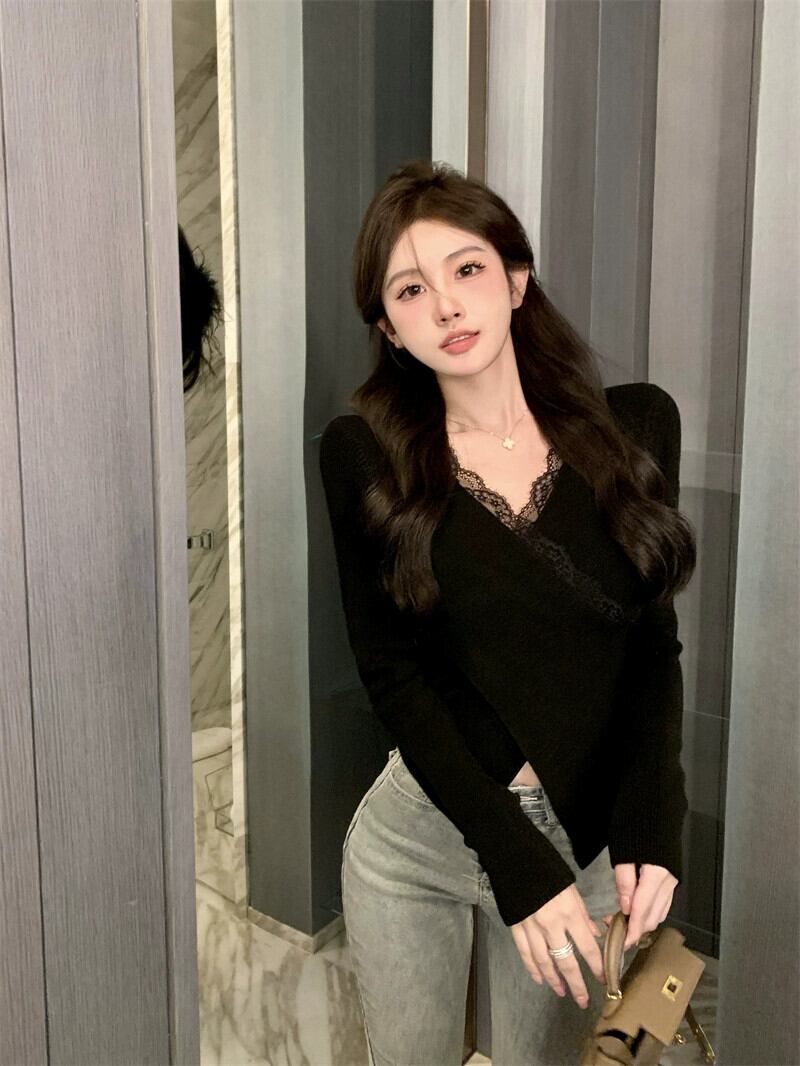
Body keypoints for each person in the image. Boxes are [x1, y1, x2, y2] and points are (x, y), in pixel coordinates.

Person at [318, 159, 696, 1065]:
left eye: (467, 269)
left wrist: (653, 818)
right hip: (422, 840)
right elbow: (394, 675)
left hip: (580, 846)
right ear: (390, 327)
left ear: (516, 279)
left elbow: (650, 647)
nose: (446, 305)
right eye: (411, 289)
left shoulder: (637, 428)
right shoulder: (364, 456)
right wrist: (514, 859)